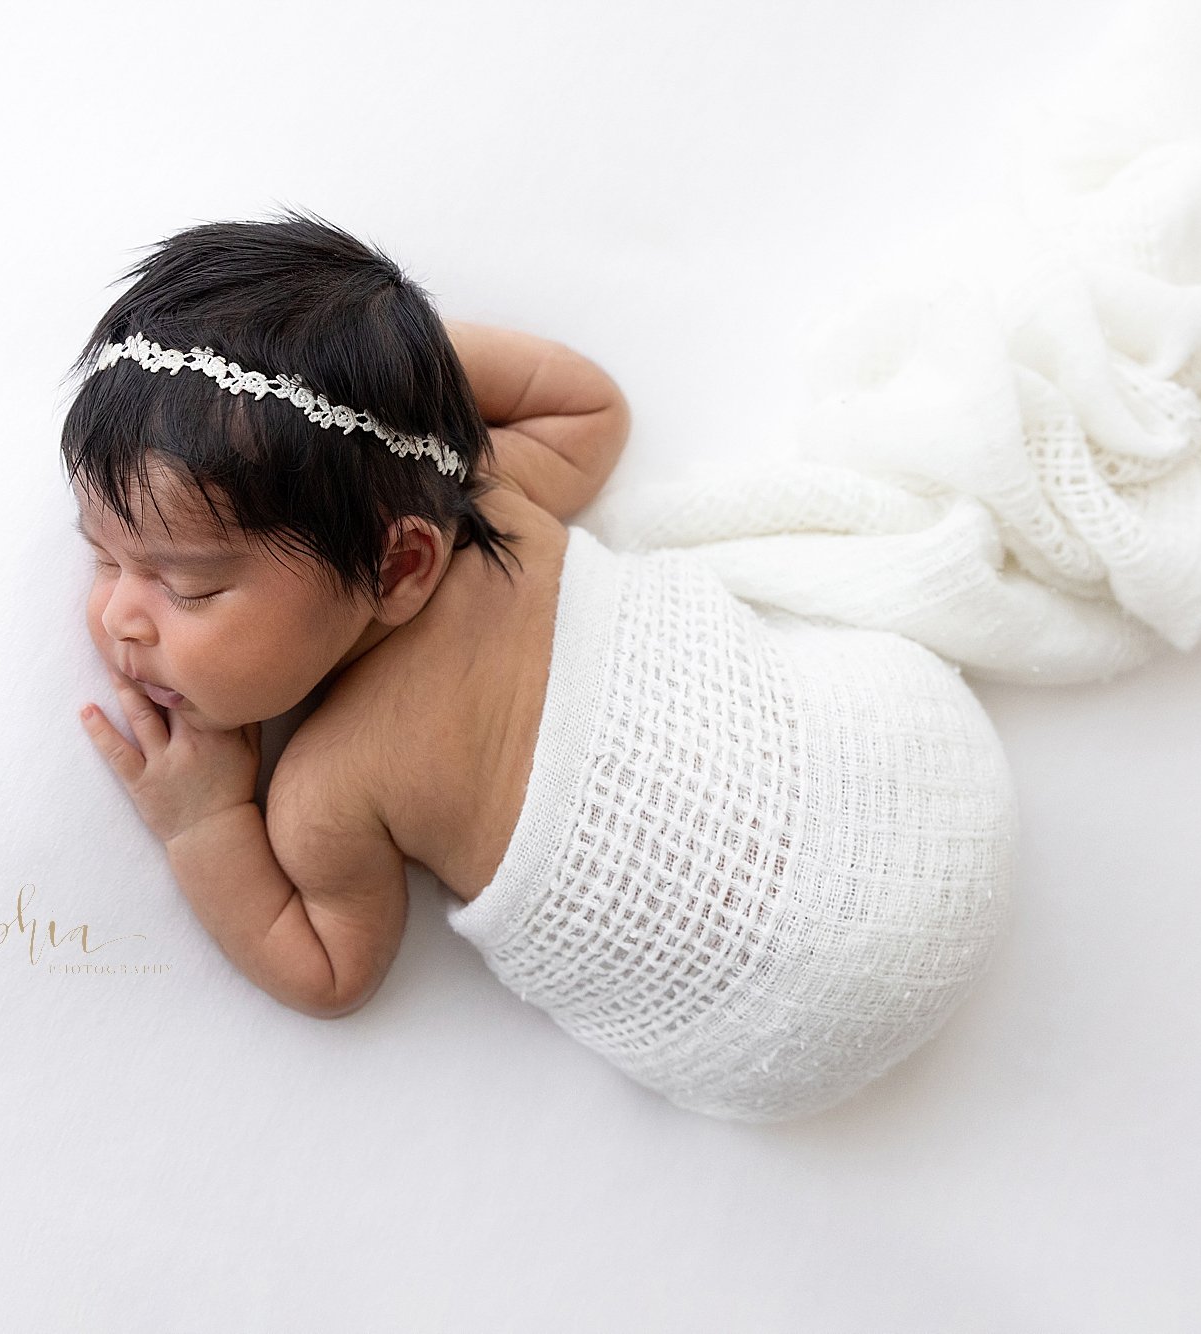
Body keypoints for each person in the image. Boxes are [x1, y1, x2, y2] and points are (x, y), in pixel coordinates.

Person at [65, 209, 1017, 1124]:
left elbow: (326, 970)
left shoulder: (326, 792)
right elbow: (587, 406)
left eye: (186, 589)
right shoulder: (491, 491)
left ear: (400, 566)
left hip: (792, 1001)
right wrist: (392, 386)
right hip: (924, 786)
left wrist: (203, 825)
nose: (119, 617)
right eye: (104, 558)